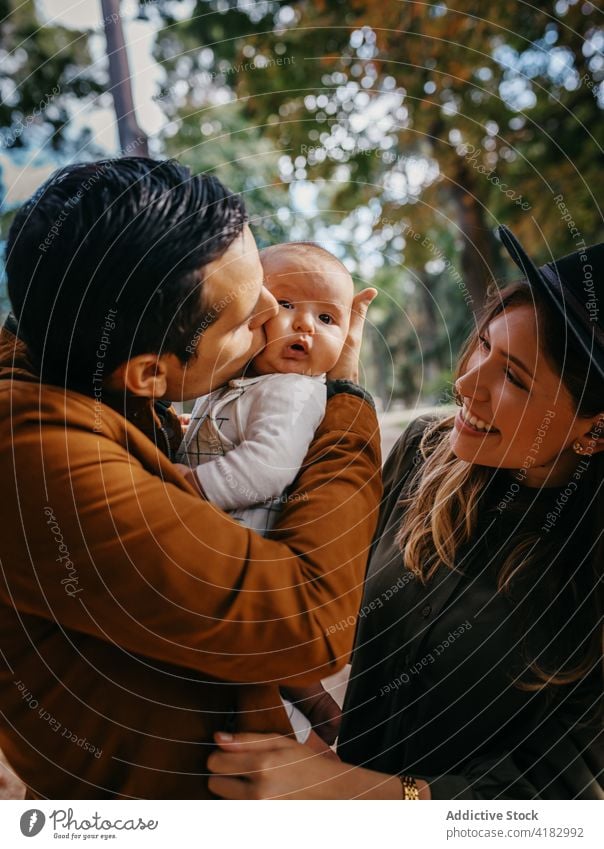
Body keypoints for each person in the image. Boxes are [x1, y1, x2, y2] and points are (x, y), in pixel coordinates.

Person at [0, 157, 380, 799]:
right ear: (149, 373)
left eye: (262, 281)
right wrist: (340, 396)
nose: (270, 314)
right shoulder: (39, 461)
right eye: (241, 321)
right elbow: (311, 622)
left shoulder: (88, 361)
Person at [207, 225, 604, 800]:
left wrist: (348, 794)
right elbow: (322, 582)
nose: (467, 382)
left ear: (593, 428)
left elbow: (559, 805)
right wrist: (319, 709)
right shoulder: (423, 452)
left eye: (514, 377)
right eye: (485, 346)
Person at [176, 242, 355, 746]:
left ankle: (311, 741)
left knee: (258, 690)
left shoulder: (293, 390)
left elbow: (267, 467)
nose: (305, 326)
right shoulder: (244, 382)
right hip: (224, 556)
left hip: (247, 563)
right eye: (286, 306)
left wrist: (188, 483)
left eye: (327, 318)